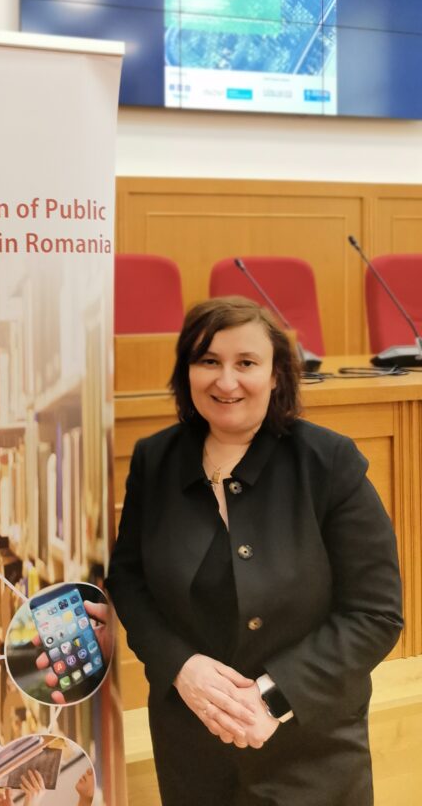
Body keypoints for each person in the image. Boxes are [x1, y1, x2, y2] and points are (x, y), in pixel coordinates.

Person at [106, 296, 403, 806]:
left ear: (276, 375)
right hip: (191, 742)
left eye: (246, 362)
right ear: (187, 372)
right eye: (208, 361)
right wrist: (181, 667)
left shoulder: (328, 462)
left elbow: (375, 614)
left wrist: (271, 697)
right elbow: (130, 583)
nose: (226, 381)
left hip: (311, 747)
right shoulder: (156, 460)